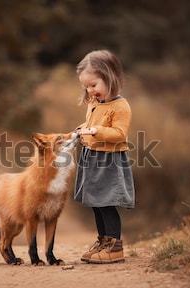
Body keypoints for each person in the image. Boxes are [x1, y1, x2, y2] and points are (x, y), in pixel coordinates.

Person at [73, 49, 135, 264]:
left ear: (110, 78)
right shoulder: (94, 103)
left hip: (108, 161)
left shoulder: (120, 106)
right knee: (95, 202)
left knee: (107, 202)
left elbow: (119, 134)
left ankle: (115, 246)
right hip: (91, 157)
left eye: (94, 85)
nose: (90, 91)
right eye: (86, 87)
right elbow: (90, 125)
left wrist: (95, 131)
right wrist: (81, 130)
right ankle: (104, 241)